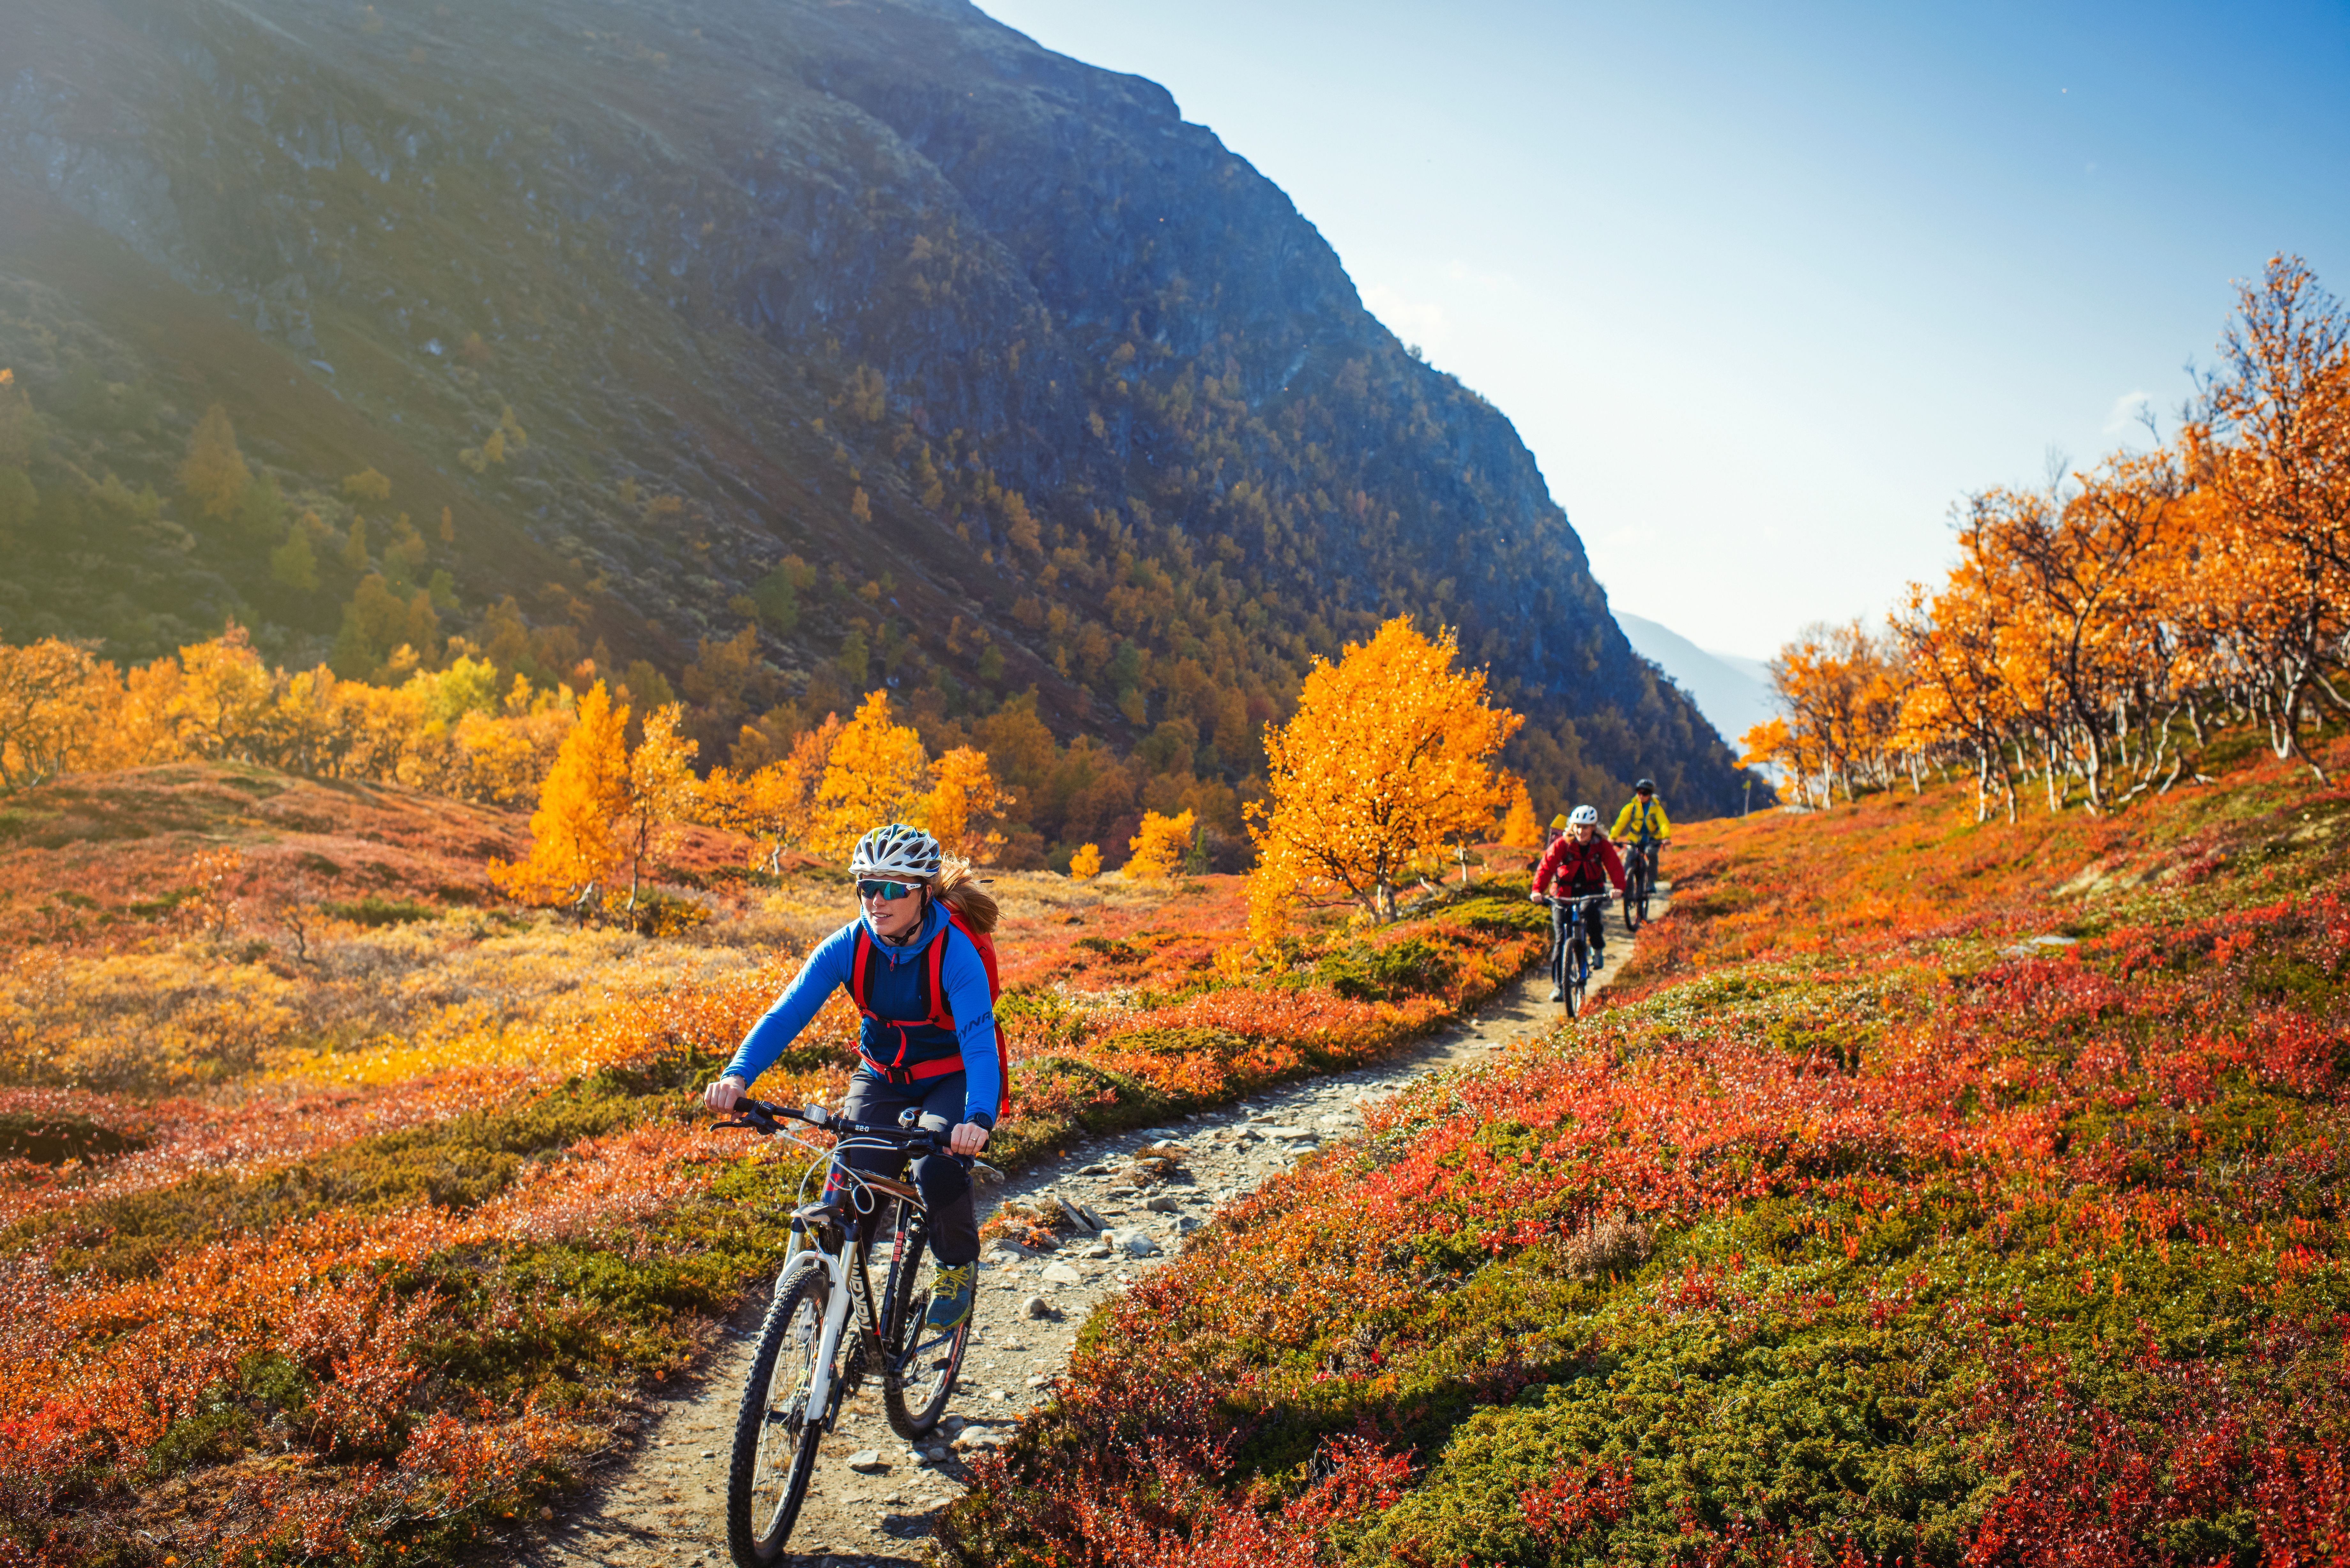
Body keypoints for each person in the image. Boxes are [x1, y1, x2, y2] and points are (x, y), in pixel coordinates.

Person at [702, 823, 998, 1333]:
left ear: (924, 894)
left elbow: (979, 1046)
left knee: (936, 1165)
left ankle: (956, 1267)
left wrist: (976, 1119)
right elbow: (786, 1014)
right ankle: (827, 1320)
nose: (876, 901)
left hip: (951, 1077)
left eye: (892, 889)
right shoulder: (849, 944)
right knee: (850, 1189)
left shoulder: (957, 954)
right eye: (866, 886)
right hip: (881, 1076)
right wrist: (737, 1075)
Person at [1528, 804, 1625, 999]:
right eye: (1578, 827)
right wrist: (1538, 891)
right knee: (1560, 939)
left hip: (1591, 891)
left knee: (1590, 914)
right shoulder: (1562, 844)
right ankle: (1559, 986)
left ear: (1594, 828)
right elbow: (1546, 867)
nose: (1582, 831)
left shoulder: (1601, 845)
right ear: (1573, 827)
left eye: (1587, 827)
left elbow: (1614, 866)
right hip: (1563, 892)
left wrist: (1618, 888)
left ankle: (1597, 948)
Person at [1610, 779, 1672, 883]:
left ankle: (1651, 882)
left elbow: (1664, 823)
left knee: (1651, 854)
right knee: (1629, 856)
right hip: (1635, 839)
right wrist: (1613, 837)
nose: (1642, 796)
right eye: (1639, 792)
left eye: (1645, 793)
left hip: (1652, 840)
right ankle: (1624, 883)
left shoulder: (1657, 809)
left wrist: (1666, 837)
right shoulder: (1631, 808)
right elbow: (1620, 823)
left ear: (1651, 794)